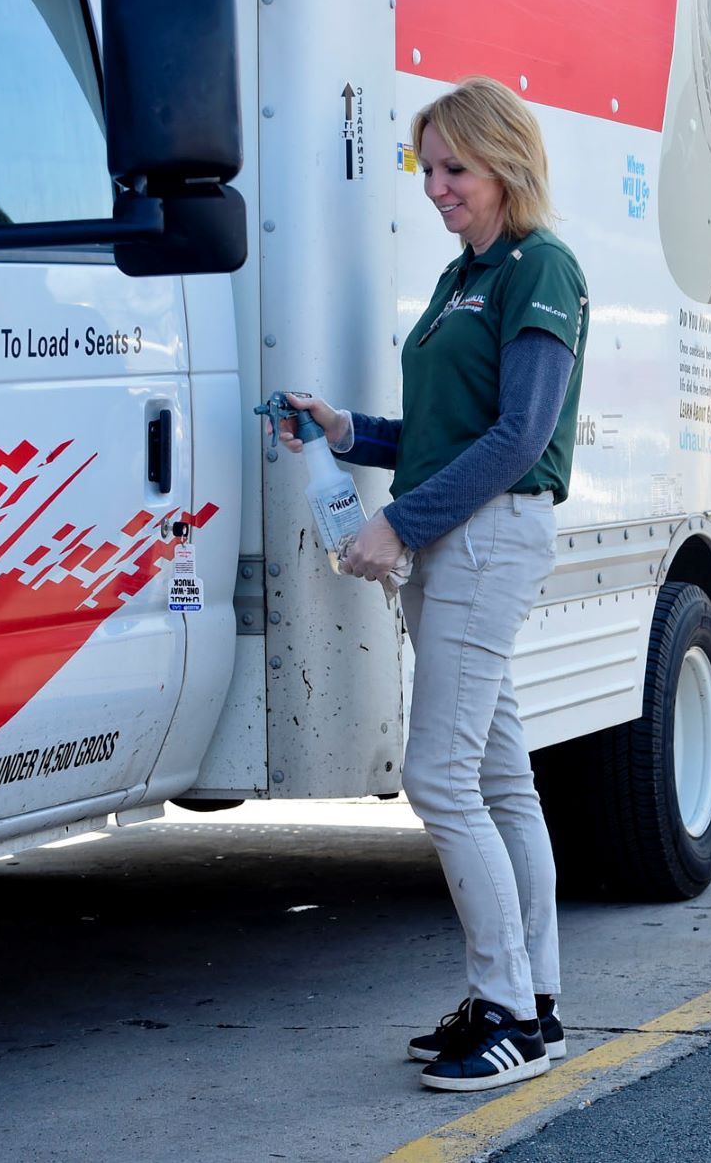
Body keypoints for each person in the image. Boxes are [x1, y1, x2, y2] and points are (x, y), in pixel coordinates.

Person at [279, 76, 589, 1093]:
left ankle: (502, 1008)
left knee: (440, 777)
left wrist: (396, 523)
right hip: (457, 535)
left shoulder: (539, 269)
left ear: (506, 164)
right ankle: (531, 1000)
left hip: (486, 538)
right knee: (499, 777)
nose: (438, 186)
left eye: (457, 167)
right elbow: (444, 434)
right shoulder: (467, 274)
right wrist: (346, 433)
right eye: (429, 167)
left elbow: (520, 436)